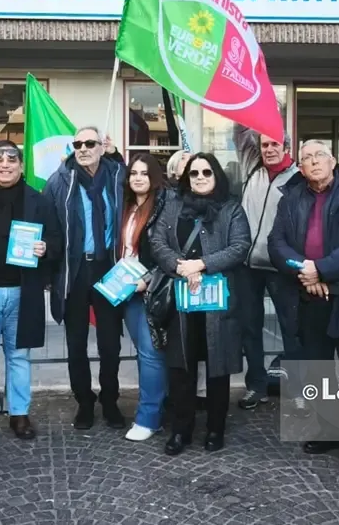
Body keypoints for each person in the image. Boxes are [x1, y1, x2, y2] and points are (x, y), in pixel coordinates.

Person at [268, 139, 339, 474]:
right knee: (320, 371)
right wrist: (304, 270)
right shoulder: (291, 198)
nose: (313, 161)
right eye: (306, 158)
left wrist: (323, 269)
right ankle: (332, 432)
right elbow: (277, 244)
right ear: (300, 167)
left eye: (319, 155)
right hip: (310, 297)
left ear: (333, 161)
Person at [0, 141, 62, 441]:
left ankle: (20, 414)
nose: (5, 164)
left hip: (22, 291)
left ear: (21, 165)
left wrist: (46, 248)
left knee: (19, 356)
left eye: (12, 159)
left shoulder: (39, 201)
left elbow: (57, 240)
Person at [150, 152, 251, 456]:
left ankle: (215, 430)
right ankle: (182, 430)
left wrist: (202, 265)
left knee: (217, 371)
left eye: (207, 172)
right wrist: (180, 266)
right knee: (182, 370)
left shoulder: (231, 207)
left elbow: (239, 246)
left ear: (216, 175)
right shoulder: (173, 205)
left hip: (218, 303)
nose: (200, 178)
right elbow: (157, 242)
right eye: (194, 174)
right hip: (181, 302)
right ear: (186, 178)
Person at [43, 126, 128, 430]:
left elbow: (151, 189)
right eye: (77, 143)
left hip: (108, 269)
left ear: (102, 146)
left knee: (110, 344)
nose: (82, 148)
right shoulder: (59, 181)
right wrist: (50, 270)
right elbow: (49, 228)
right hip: (75, 270)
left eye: (90, 143)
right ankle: (84, 402)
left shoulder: (119, 177)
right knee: (76, 342)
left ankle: (110, 400)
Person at [232, 124, 308, 416]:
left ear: (286, 147)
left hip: (282, 267)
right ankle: (257, 385)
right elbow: (241, 130)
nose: (270, 149)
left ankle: (298, 389)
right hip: (248, 265)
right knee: (250, 328)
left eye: (275, 144)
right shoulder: (253, 167)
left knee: (292, 329)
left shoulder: (299, 179)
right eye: (265, 145)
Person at [116, 153, 170, 441]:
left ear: (154, 178)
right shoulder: (125, 207)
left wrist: (148, 279)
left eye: (144, 173)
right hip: (126, 291)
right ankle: (160, 408)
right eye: (133, 173)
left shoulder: (163, 207)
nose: (138, 178)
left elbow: (170, 252)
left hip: (153, 290)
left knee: (150, 354)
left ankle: (148, 418)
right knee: (145, 354)